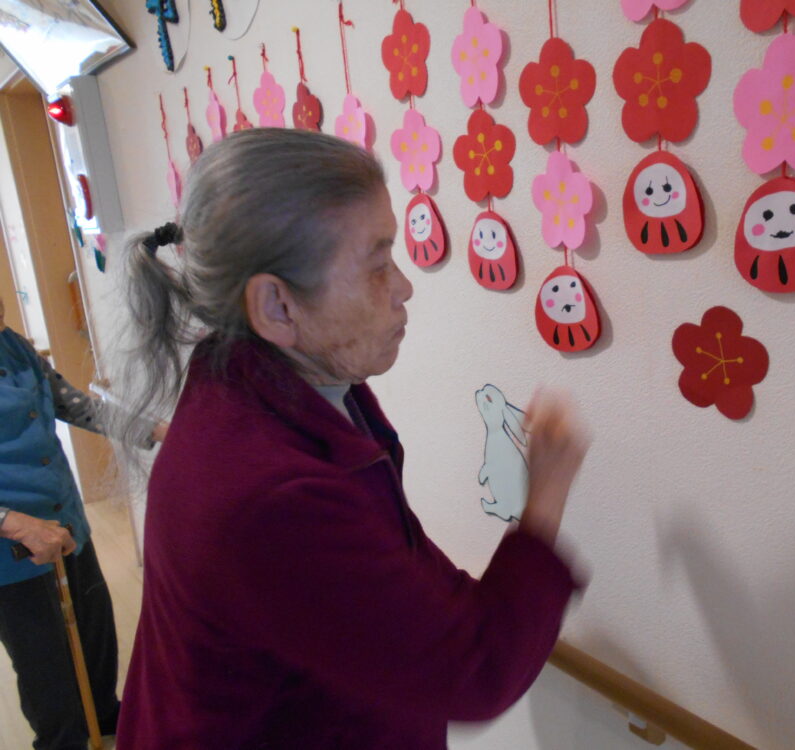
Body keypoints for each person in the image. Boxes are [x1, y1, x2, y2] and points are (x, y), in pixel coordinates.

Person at [114, 128, 590, 749]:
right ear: (277, 307)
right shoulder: (271, 498)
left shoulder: (278, 386)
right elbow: (477, 672)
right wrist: (546, 495)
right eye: (377, 265)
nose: (404, 287)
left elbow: (398, 574)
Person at [0, 294, 165, 750]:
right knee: (44, 662)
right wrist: (13, 522)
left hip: (66, 519)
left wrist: (158, 429)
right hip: (11, 551)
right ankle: (62, 741)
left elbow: (73, 403)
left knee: (95, 635)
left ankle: (105, 716)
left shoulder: (13, 344)